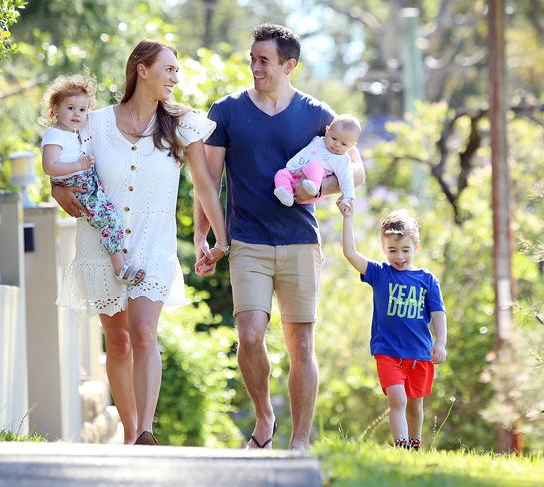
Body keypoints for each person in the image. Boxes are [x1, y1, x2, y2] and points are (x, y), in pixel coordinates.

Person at [193, 23, 365, 451]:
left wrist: (319, 188)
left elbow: (356, 171)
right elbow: (207, 182)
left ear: (290, 65)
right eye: (252, 58)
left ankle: (300, 442)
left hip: (300, 243)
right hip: (247, 240)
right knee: (250, 334)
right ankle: (265, 417)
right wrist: (206, 239)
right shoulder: (227, 111)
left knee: (301, 343)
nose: (255, 67)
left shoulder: (318, 115)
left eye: (264, 60)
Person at [50, 40, 229, 445]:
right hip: (102, 244)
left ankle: (146, 429)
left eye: (176, 71)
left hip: (152, 244)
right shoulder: (91, 123)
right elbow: (60, 169)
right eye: (168, 69)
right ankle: (130, 433)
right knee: (118, 338)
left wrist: (221, 239)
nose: (175, 78)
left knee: (144, 331)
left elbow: (204, 184)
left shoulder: (182, 124)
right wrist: (59, 192)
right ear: (141, 70)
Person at [341, 207, 447, 450]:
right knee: (397, 399)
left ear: (416, 247)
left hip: (419, 353)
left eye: (405, 250)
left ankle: (415, 443)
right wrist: (348, 218)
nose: (399, 256)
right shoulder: (379, 273)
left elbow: (439, 314)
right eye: (392, 250)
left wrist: (440, 343)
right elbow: (350, 253)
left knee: (414, 404)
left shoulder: (427, 280)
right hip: (388, 352)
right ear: (383, 248)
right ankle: (401, 447)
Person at [41, 74, 145, 286]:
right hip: (78, 185)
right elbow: (49, 167)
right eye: (70, 108)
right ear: (55, 109)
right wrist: (78, 166)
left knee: (111, 220)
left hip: (86, 182)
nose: (77, 114)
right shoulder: (55, 135)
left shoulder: (74, 132)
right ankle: (120, 269)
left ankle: (120, 265)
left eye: (82, 110)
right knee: (111, 222)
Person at [273, 114, 361, 209]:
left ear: (351, 146)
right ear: (327, 132)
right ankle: (286, 194)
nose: (336, 144)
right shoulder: (319, 141)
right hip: (295, 173)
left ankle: (313, 186)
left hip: (314, 187)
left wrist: (347, 198)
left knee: (314, 166)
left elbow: (346, 179)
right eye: (334, 138)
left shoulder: (343, 160)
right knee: (281, 173)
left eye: (343, 144)